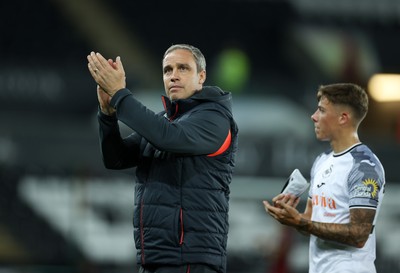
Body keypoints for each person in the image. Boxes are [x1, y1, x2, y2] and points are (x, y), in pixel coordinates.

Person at [87, 44, 239, 273]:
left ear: (201, 76)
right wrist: (107, 115)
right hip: (155, 257)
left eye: (183, 68)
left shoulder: (215, 118)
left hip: (190, 259)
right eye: (167, 70)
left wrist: (120, 94)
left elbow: (168, 138)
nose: (173, 76)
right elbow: (116, 159)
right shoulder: (166, 122)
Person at [263, 83, 385, 273]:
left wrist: (302, 222)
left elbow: (359, 235)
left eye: (321, 110)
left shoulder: (364, 166)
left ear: (343, 118)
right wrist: (291, 217)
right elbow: (310, 222)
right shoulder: (322, 161)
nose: (313, 116)